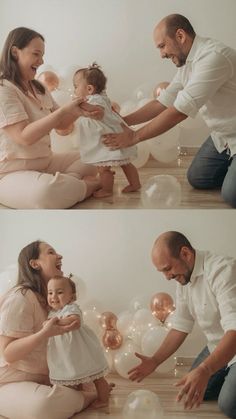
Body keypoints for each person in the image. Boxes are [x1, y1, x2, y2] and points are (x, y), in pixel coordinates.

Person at [103, 14, 236, 208]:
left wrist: (133, 137)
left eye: (162, 46)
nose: (162, 54)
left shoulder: (213, 57)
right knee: (197, 179)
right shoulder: (188, 64)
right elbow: (162, 103)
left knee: (231, 196)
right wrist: (123, 120)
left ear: (180, 36)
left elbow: (179, 111)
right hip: (222, 135)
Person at [128, 231, 236, 418]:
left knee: (228, 405)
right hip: (217, 345)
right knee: (192, 390)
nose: (167, 277)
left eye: (167, 269)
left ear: (186, 254)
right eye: (162, 271)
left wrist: (205, 369)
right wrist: (154, 360)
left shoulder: (223, 271)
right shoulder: (184, 278)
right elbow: (181, 324)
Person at [0, 240, 113, 419]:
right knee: (42, 407)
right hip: (10, 381)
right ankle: (89, 396)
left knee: (59, 393)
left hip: (42, 378)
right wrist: (44, 333)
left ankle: (83, 394)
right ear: (34, 264)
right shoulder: (20, 298)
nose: (59, 256)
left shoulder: (51, 299)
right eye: (51, 252)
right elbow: (8, 354)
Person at [0, 27, 103, 209]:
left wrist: (78, 111)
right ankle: (88, 186)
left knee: (94, 158)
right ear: (15, 52)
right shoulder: (4, 88)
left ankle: (67, 185)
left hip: (46, 161)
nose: (41, 61)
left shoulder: (38, 87)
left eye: (42, 55)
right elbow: (24, 136)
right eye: (36, 54)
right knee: (44, 193)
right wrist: (64, 111)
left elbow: (61, 125)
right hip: (10, 173)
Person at [73, 63, 141, 197]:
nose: (74, 90)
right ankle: (135, 183)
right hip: (115, 135)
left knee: (103, 168)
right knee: (126, 163)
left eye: (76, 86)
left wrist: (81, 104)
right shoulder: (101, 97)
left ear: (90, 88)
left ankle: (107, 190)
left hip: (107, 140)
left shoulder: (95, 100)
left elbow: (98, 113)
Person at [46, 275, 110, 408]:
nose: (53, 296)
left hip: (82, 352)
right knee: (70, 380)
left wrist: (54, 323)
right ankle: (78, 399)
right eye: (50, 292)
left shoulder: (71, 308)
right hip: (66, 356)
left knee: (97, 377)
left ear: (72, 297)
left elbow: (75, 321)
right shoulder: (52, 313)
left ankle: (103, 399)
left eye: (60, 292)